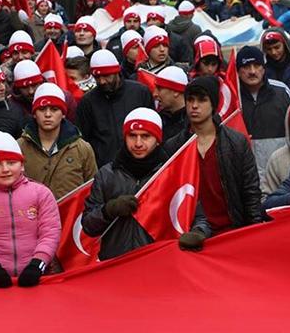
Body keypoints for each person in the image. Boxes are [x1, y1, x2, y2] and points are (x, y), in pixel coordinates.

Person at [82, 107, 210, 260]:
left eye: (146, 136)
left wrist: (198, 233)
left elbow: (200, 217)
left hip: (160, 262)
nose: (138, 143)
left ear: (157, 140)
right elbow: (88, 226)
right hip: (116, 264)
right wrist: (108, 210)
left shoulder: (173, 173)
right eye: (132, 136)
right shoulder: (107, 174)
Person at [165, 76, 262, 235]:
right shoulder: (174, 147)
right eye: (190, 99)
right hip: (191, 236)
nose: (194, 106)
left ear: (213, 104)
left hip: (232, 232)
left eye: (202, 100)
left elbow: (251, 192)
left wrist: (253, 232)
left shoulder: (236, 143)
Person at [0, 130, 61, 288]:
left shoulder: (41, 193)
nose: (5, 169)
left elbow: (50, 233)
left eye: (11, 162)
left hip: (38, 278)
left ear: (22, 165)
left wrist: (38, 263)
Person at [18, 83, 97, 199]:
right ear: (34, 114)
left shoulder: (82, 148)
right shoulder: (19, 148)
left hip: (72, 215)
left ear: (63, 114)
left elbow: (92, 189)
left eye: (54, 109)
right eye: (42, 109)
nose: (48, 114)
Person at [76, 49, 154, 167]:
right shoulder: (87, 102)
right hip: (105, 171)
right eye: (97, 77)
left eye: (106, 76)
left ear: (116, 71)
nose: (102, 81)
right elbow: (83, 141)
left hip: (140, 167)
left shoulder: (140, 93)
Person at [238, 46, 290, 140]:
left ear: (263, 69)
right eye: (246, 67)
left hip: (279, 154)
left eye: (257, 65)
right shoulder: (232, 97)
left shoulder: (281, 91)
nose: (252, 71)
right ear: (238, 71)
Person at [11, 60, 78, 123]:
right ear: (18, 88)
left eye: (34, 85)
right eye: (24, 87)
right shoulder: (11, 106)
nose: (31, 91)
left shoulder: (65, 98)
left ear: (41, 82)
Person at [154, 66, 188, 141]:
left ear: (176, 91)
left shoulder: (193, 123)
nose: (155, 94)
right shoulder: (159, 119)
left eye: (159, 89)